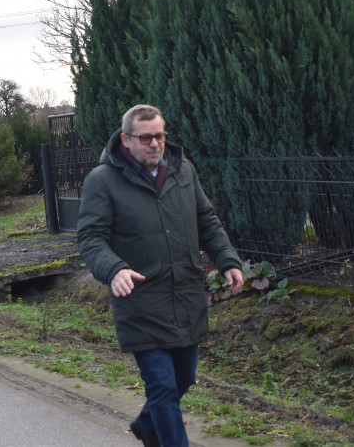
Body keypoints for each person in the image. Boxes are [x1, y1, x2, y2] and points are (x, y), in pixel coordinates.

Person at [77, 104, 244, 447]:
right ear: (126, 139)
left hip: (185, 295)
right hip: (140, 302)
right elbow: (91, 239)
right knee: (164, 389)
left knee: (185, 378)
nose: (155, 144)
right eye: (146, 137)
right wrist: (114, 269)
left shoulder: (183, 172)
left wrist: (228, 260)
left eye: (160, 136)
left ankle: (145, 424)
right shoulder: (102, 181)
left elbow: (207, 222)